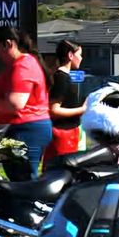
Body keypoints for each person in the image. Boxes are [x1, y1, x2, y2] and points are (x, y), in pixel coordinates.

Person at [0, 26, 52, 179]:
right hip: (22, 128)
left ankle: (28, 202)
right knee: (17, 176)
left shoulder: (22, 65)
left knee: (22, 179)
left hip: (24, 130)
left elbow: (15, 104)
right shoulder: (22, 64)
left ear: (8, 44)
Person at [46, 39, 87, 170]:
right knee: (61, 170)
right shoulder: (61, 78)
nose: (81, 58)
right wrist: (82, 109)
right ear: (70, 55)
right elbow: (54, 110)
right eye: (79, 54)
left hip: (71, 132)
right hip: (62, 134)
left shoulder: (64, 76)